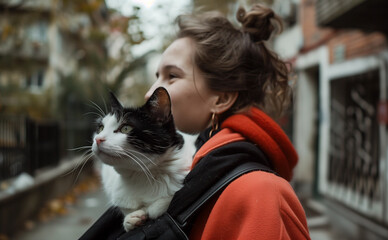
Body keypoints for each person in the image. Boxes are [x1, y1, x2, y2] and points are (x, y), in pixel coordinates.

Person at [81, 4, 310, 240]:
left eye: (172, 76)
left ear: (221, 98)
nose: (150, 93)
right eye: (156, 77)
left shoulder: (261, 192)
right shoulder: (200, 172)